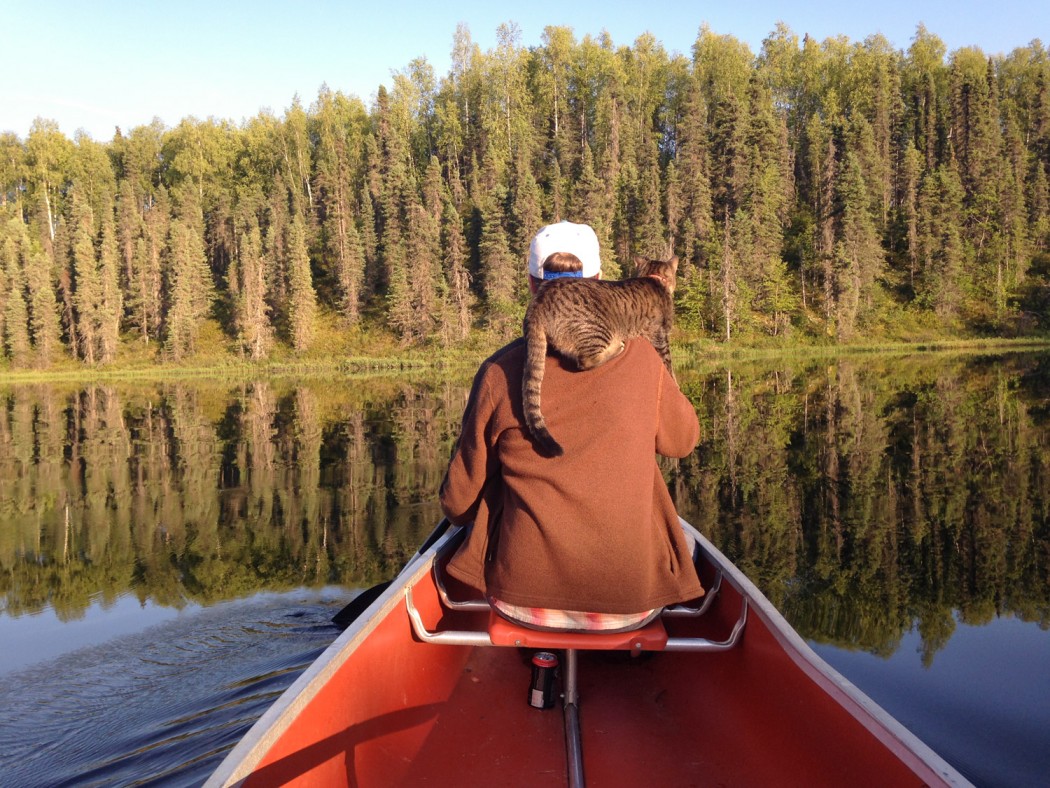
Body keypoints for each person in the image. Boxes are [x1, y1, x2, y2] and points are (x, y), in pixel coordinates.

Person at [439, 220, 703, 632]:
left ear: (531, 284)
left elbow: (458, 505)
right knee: (684, 545)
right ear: (599, 282)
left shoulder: (499, 371)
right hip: (631, 603)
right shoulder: (644, 360)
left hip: (520, 600)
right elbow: (683, 441)